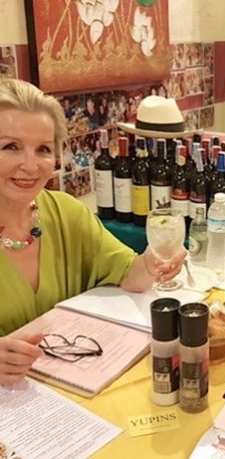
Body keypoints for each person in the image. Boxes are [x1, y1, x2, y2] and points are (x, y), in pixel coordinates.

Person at [0, 79, 186, 386]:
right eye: (11, 147)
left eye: (43, 149)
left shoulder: (67, 213)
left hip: (70, 388)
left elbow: (129, 273)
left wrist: (152, 261)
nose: (31, 166)